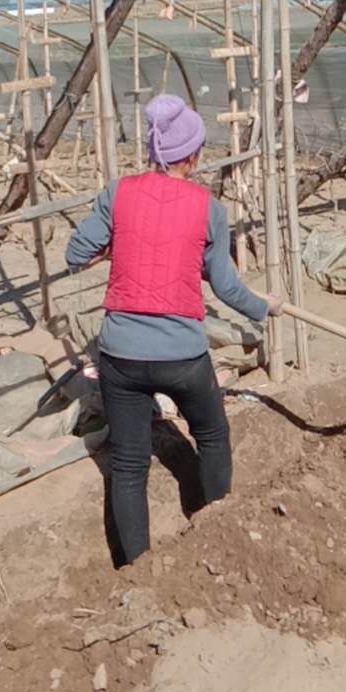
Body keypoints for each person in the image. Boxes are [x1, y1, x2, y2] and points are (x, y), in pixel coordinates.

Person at [66, 94, 282, 563]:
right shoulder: (208, 208)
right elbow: (226, 287)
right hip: (182, 357)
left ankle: (138, 567)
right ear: (194, 156)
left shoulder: (118, 193)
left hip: (121, 357)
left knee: (128, 466)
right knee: (213, 436)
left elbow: (75, 254)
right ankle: (216, 531)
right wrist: (265, 308)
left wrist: (117, 244)